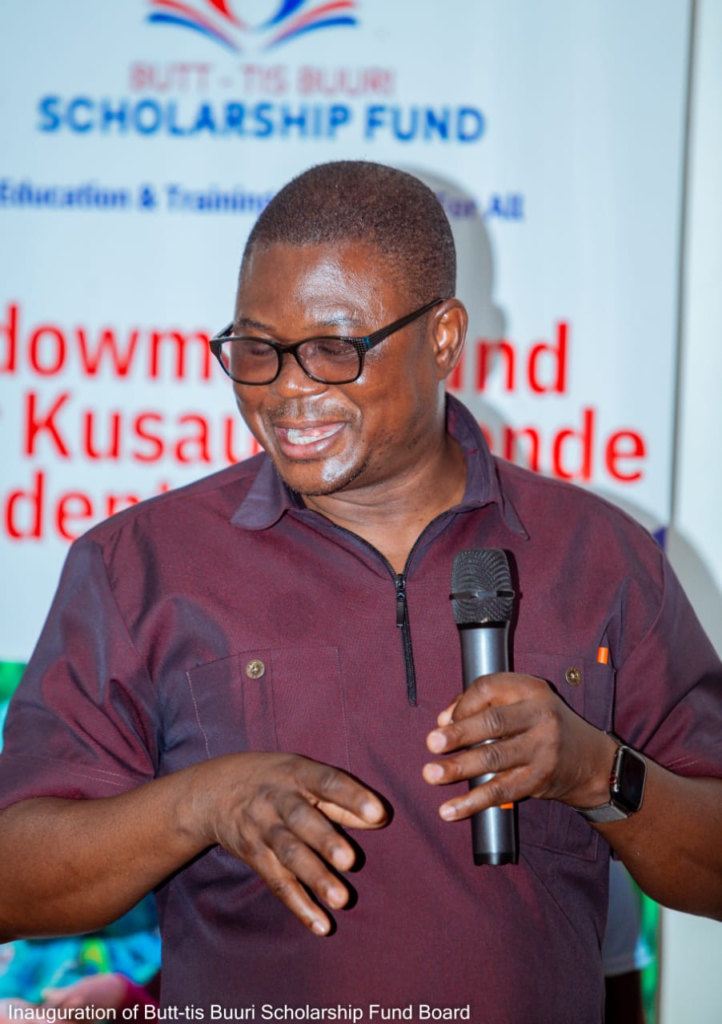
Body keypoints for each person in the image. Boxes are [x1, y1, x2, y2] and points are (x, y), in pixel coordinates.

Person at [0, 161, 720, 1024]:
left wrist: (596, 771)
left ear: (444, 338)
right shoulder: (138, 565)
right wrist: (201, 803)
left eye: (334, 349)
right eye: (256, 350)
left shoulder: (600, 556)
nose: (287, 388)